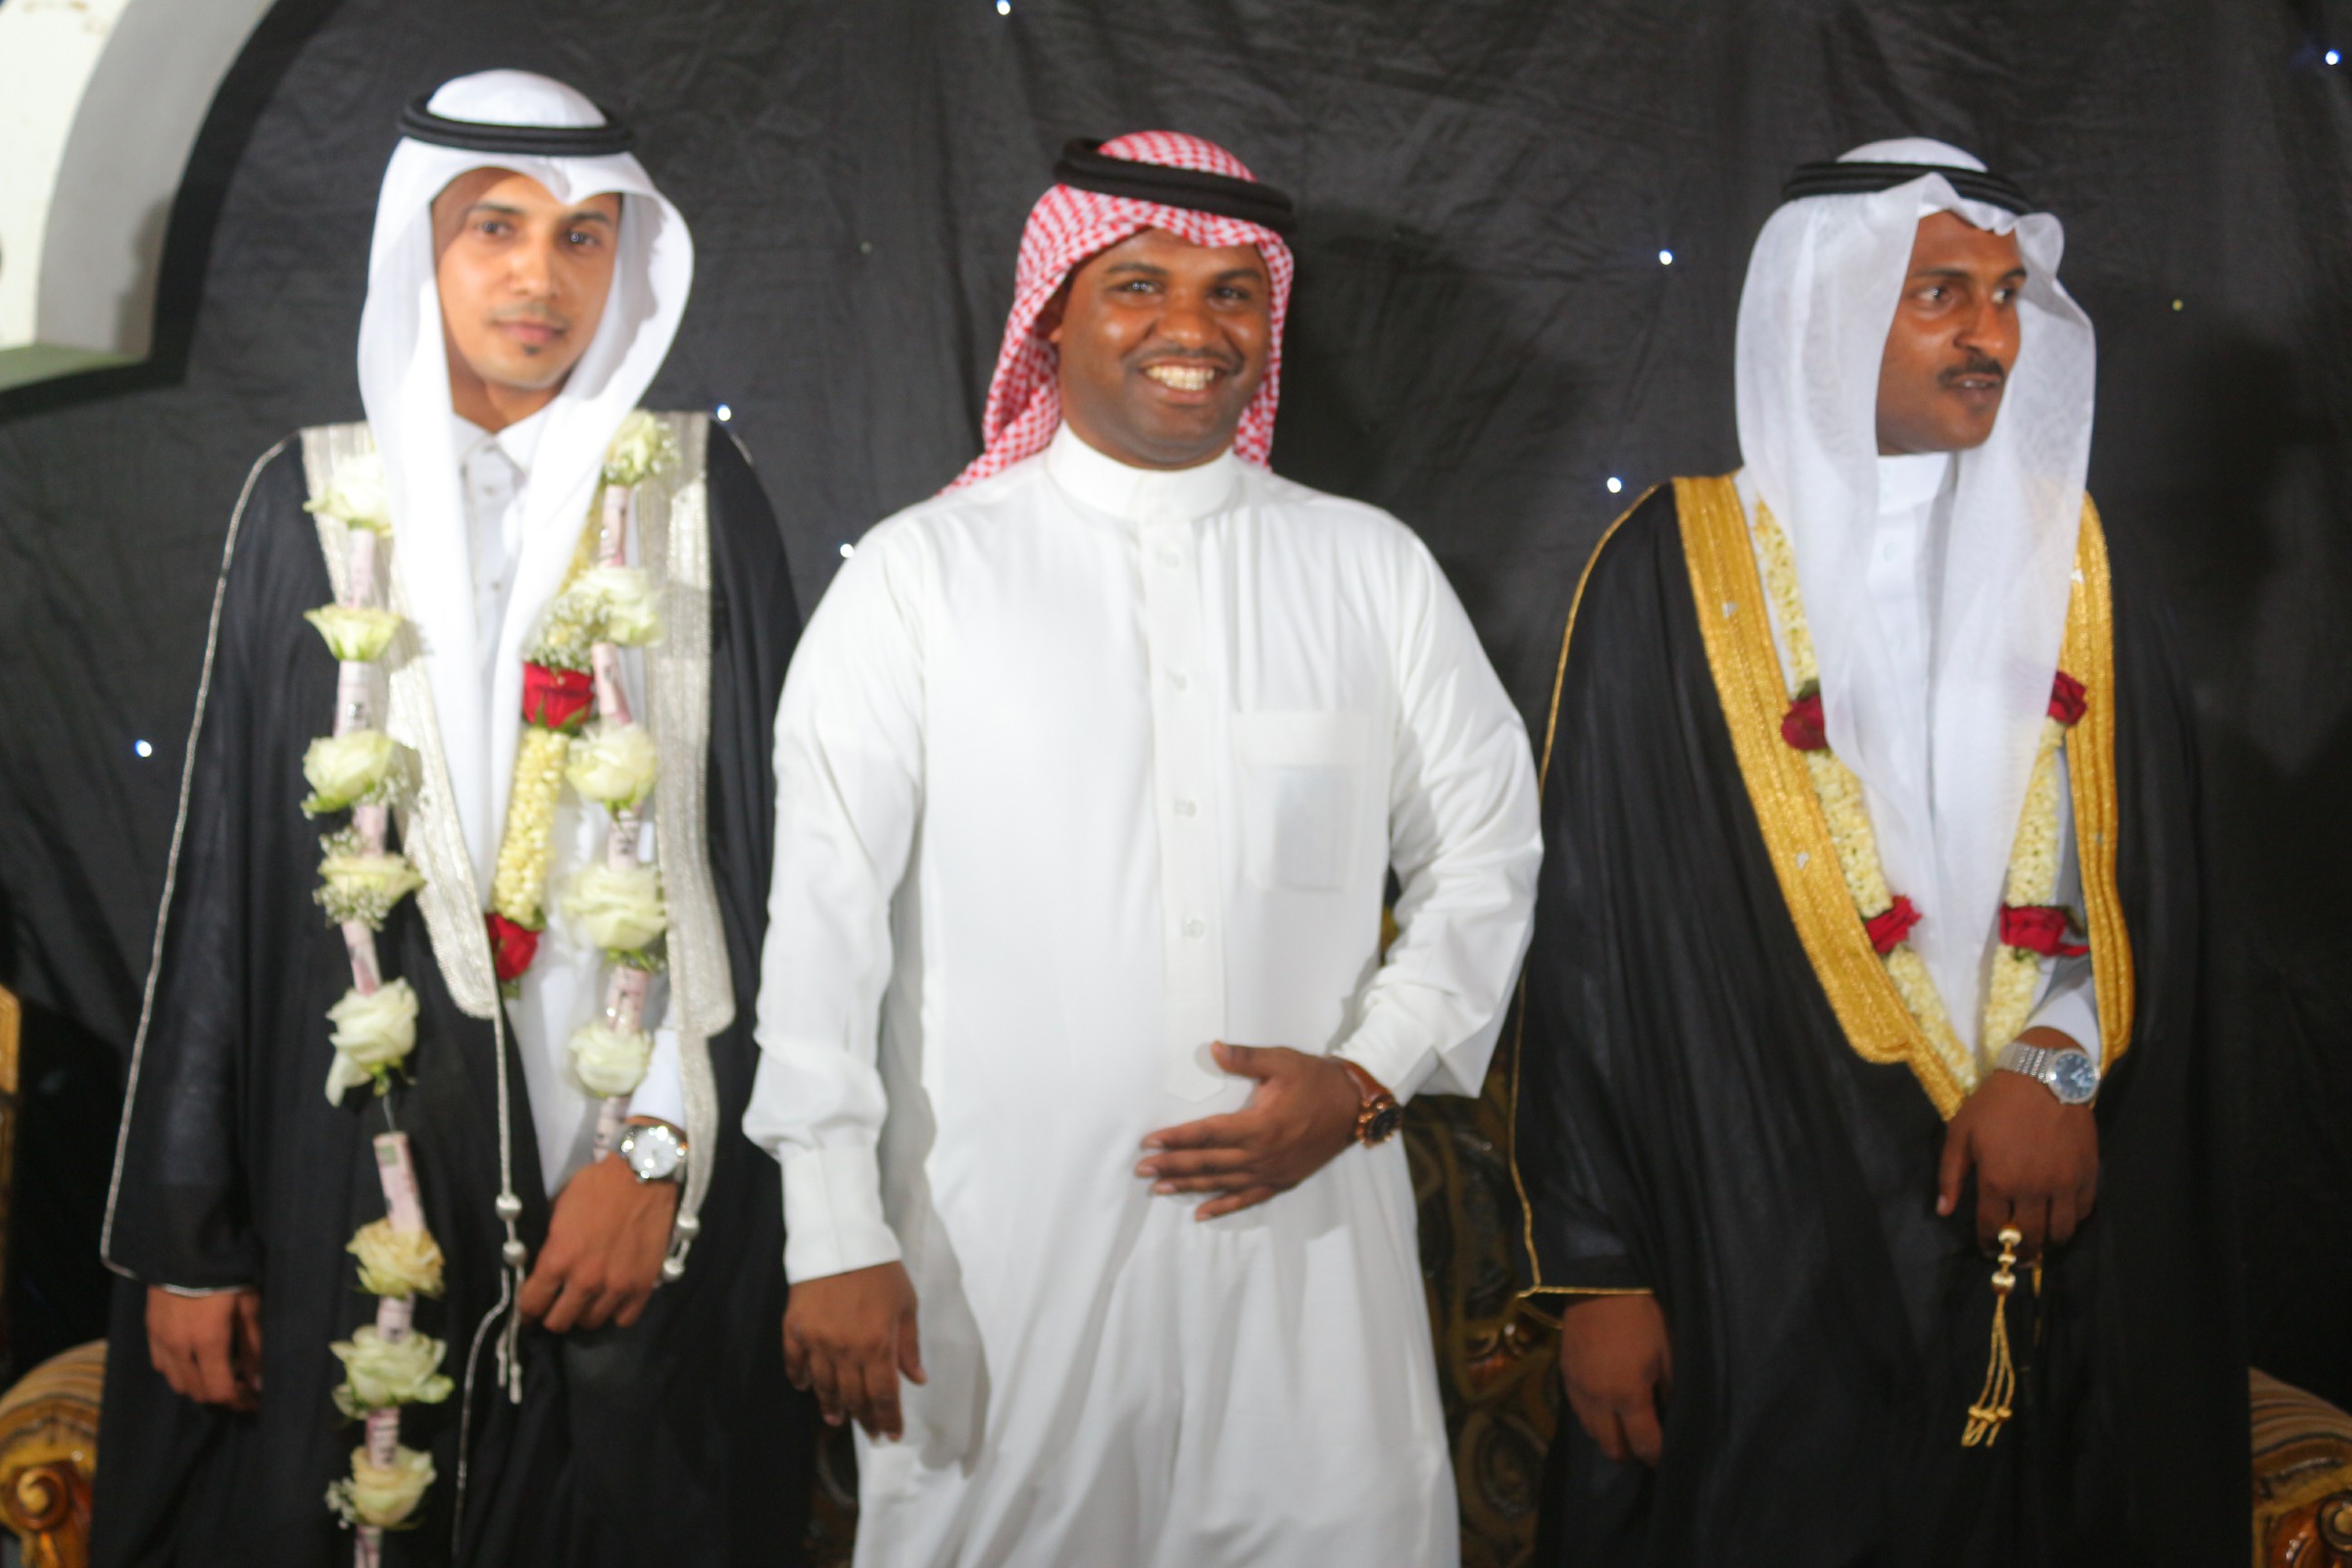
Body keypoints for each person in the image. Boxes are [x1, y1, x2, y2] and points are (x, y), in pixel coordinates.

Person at [743, 131, 1543, 1566]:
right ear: (1054, 314)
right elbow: (821, 926)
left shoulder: (1369, 568)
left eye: (1234, 292)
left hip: (1308, 1259)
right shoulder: (922, 576)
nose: (1195, 327)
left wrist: (1369, 1078)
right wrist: (832, 1227)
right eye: (1140, 284)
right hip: (999, 1261)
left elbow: (1487, 854)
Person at [95, 71, 812, 1566]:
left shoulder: (696, 497)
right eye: (495, 227)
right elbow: (224, 886)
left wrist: (660, 1155)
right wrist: (188, 1238)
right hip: (362, 1172)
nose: (540, 276)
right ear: (415, 243)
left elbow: (775, 873)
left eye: (583, 235)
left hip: (635, 1188)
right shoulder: (309, 502)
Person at [1511, 139, 2243, 1563]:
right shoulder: (1671, 570)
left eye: (2007, 294)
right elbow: (1589, 946)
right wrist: (1599, 1276)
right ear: (1825, 313)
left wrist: (2057, 1062)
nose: (1990, 336)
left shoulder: (2082, 563)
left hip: (2046, 1205)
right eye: (1939, 294)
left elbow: (2155, 896)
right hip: (1759, 1227)